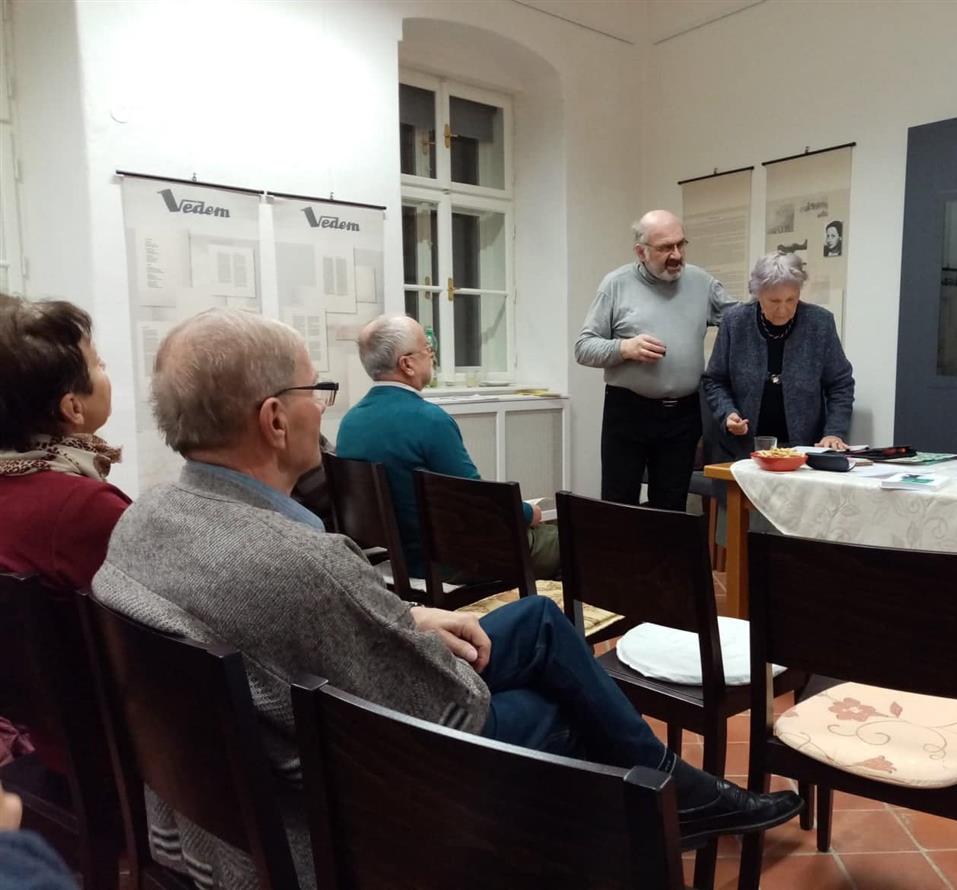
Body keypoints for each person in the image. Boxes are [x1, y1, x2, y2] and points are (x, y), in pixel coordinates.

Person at [91, 309, 801, 889]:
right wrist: (413, 635)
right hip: (342, 806)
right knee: (564, 709)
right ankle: (666, 810)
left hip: (227, 800)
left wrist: (408, 616)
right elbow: (450, 706)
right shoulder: (299, 565)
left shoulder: (141, 522)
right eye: (315, 390)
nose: (322, 406)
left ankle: (676, 797)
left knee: (540, 623)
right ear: (275, 419)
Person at [0, 295, 129, 769]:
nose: (106, 372)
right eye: (99, 364)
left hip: (38, 740)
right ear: (72, 407)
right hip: (102, 752)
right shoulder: (82, 510)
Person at [336, 314, 560, 581]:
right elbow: (477, 504)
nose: (432, 355)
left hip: (394, 560)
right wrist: (528, 513)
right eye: (427, 349)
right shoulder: (430, 420)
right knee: (570, 540)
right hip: (449, 562)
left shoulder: (349, 422)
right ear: (407, 364)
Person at [575, 210, 737, 510]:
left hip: (683, 415)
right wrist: (624, 348)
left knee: (671, 508)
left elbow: (740, 322)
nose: (676, 255)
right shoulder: (615, 284)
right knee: (619, 505)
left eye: (681, 244)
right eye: (665, 248)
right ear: (641, 252)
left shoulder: (701, 282)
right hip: (628, 411)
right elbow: (583, 348)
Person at [702, 251, 854, 457]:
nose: (783, 310)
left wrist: (834, 432)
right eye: (774, 301)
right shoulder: (735, 322)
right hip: (742, 449)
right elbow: (715, 380)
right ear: (758, 294)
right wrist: (728, 413)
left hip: (803, 449)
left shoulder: (819, 323)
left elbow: (840, 383)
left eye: (791, 299)